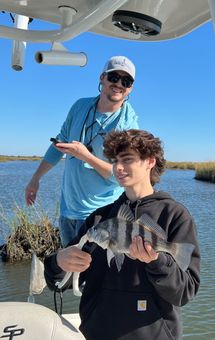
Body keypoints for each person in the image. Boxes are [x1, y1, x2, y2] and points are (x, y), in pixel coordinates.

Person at [44, 129, 200, 340]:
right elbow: (59, 283)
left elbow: (184, 292)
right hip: (98, 333)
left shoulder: (175, 215)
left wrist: (157, 262)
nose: (117, 167)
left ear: (150, 161)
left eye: (127, 160)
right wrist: (58, 262)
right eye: (115, 160)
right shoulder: (99, 219)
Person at [25, 56, 139, 246]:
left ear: (130, 89)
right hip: (67, 211)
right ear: (102, 77)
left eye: (126, 81)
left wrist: (85, 156)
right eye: (114, 77)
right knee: (69, 271)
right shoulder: (80, 106)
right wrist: (35, 179)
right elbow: (58, 146)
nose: (119, 84)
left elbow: (119, 176)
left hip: (102, 218)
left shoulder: (129, 125)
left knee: (94, 274)